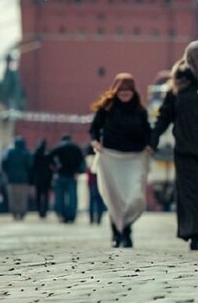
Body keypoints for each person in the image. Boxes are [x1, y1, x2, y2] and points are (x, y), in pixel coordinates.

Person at [153, 41, 198, 250]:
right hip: (185, 150)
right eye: (197, 56)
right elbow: (165, 115)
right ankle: (194, 235)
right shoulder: (178, 86)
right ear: (189, 58)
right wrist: (153, 138)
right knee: (190, 193)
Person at [90, 73, 152, 248]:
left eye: (128, 90)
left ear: (133, 91)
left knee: (135, 197)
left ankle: (126, 226)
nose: (125, 93)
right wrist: (96, 142)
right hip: (111, 158)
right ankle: (120, 233)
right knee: (115, 199)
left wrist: (149, 144)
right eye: (121, 90)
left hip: (135, 158)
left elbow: (148, 131)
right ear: (115, 91)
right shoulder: (106, 108)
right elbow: (94, 128)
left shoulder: (140, 111)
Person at [49, 135, 86, 223]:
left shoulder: (58, 147)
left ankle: (61, 214)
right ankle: (71, 215)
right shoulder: (76, 148)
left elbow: (49, 157)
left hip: (60, 174)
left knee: (60, 197)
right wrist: (78, 170)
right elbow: (81, 161)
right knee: (72, 197)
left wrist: (55, 167)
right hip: (72, 175)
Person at [1, 136, 34, 220]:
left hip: (12, 179)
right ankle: (22, 212)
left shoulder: (10, 152)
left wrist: (8, 172)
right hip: (23, 179)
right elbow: (30, 166)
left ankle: (14, 212)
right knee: (22, 197)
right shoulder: (26, 153)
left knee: (13, 197)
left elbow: (4, 164)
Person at [85, 146, 107, 225]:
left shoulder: (88, 158)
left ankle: (91, 218)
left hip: (92, 182)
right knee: (99, 200)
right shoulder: (101, 156)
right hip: (99, 181)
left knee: (92, 200)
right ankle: (98, 218)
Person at [31, 139, 53, 218]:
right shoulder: (48, 154)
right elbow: (52, 165)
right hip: (46, 178)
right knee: (46, 195)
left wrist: (31, 180)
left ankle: (40, 210)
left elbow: (33, 167)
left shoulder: (36, 153)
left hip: (38, 177)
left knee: (38, 195)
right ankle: (45, 210)